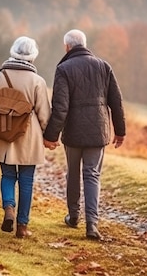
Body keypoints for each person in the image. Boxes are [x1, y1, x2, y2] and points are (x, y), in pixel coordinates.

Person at [43, 29, 126, 240]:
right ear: (85, 44)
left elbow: (60, 107)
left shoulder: (63, 68)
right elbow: (116, 102)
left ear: (67, 47)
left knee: (73, 173)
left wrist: (51, 135)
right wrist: (120, 131)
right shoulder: (103, 66)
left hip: (73, 132)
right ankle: (92, 224)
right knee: (92, 175)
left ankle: (73, 216)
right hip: (98, 131)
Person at [0, 36, 51, 238]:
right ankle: (22, 226)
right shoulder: (37, 81)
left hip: (2, 134)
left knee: (8, 175)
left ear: (13, 51)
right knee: (26, 181)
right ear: (33, 55)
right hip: (27, 135)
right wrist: (50, 136)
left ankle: (9, 207)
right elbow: (44, 114)